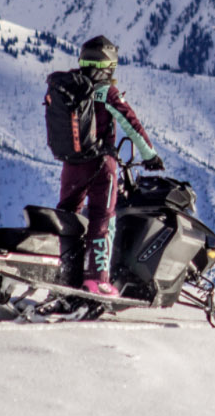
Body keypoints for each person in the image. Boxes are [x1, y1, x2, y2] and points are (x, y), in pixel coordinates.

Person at [56, 34, 165, 298]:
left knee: (67, 216)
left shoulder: (68, 86)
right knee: (102, 219)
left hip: (71, 163)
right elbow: (132, 124)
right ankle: (97, 281)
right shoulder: (106, 92)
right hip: (101, 165)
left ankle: (64, 274)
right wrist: (150, 156)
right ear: (109, 65)